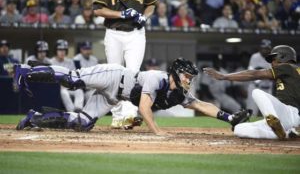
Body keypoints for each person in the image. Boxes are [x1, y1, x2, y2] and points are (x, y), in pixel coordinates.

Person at [14, 58, 251, 135]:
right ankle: (27, 70)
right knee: (73, 79)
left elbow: (202, 106)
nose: (190, 80)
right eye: (187, 75)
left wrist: (229, 119)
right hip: (114, 77)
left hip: (114, 97)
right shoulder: (156, 78)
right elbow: (145, 108)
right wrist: (157, 131)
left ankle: (34, 117)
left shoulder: (178, 92)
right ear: (177, 73)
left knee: (83, 123)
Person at [93, 0, 157, 128]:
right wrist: (120, 14)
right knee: (114, 75)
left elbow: (151, 4)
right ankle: (117, 116)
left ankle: (129, 116)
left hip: (136, 34)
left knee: (133, 74)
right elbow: (98, 9)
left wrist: (145, 16)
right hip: (114, 33)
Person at [204, 45, 300, 140]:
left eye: (273, 58)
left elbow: (254, 74)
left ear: (283, 57)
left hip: (289, 112)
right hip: (287, 117)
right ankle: (286, 134)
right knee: (239, 129)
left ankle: (274, 121)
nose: (271, 63)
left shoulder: (288, 67)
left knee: (257, 92)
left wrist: (224, 76)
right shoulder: (294, 71)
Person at [50, 39, 84, 112]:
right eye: (60, 50)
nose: (62, 52)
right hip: (59, 87)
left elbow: (74, 76)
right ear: (56, 51)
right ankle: (71, 112)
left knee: (79, 90)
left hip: (69, 85)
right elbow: (51, 78)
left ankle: (78, 109)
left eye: (64, 50)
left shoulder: (70, 61)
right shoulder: (51, 62)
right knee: (64, 92)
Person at [247, 39, 273, 116]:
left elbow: (274, 75)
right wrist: (267, 73)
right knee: (252, 113)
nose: (265, 50)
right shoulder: (255, 57)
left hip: (268, 89)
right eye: (264, 48)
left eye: (267, 48)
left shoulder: (273, 59)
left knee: (269, 113)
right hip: (255, 88)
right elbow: (253, 73)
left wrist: (264, 72)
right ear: (260, 48)